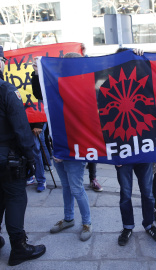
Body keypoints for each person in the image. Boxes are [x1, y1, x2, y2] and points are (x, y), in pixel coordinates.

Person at [0, 46, 46, 266]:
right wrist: (30, 157)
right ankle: (19, 247)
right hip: (7, 157)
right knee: (16, 198)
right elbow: (20, 127)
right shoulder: (6, 90)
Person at [115, 47, 156, 246]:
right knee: (125, 193)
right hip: (122, 151)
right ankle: (128, 227)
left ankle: (149, 224)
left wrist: (145, 57)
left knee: (147, 192)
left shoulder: (143, 79)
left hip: (144, 148)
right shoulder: (107, 82)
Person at [50, 52, 92, 242]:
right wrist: (36, 74)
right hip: (60, 147)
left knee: (75, 188)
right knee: (66, 187)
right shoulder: (56, 85)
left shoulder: (85, 89)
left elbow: (85, 124)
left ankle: (87, 222)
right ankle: (68, 219)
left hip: (75, 149)